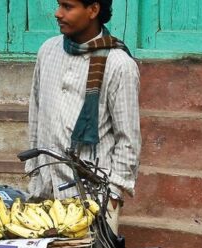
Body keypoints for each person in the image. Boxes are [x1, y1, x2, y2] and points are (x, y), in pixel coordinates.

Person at [26, 0, 140, 235]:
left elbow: (128, 138)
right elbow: (36, 115)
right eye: (59, 5)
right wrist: (34, 172)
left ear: (93, 10)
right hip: (45, 190)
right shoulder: (48, 51)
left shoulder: (119, 65)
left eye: (68, 7)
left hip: (92, 195)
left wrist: (114, 194)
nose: (58, 14)